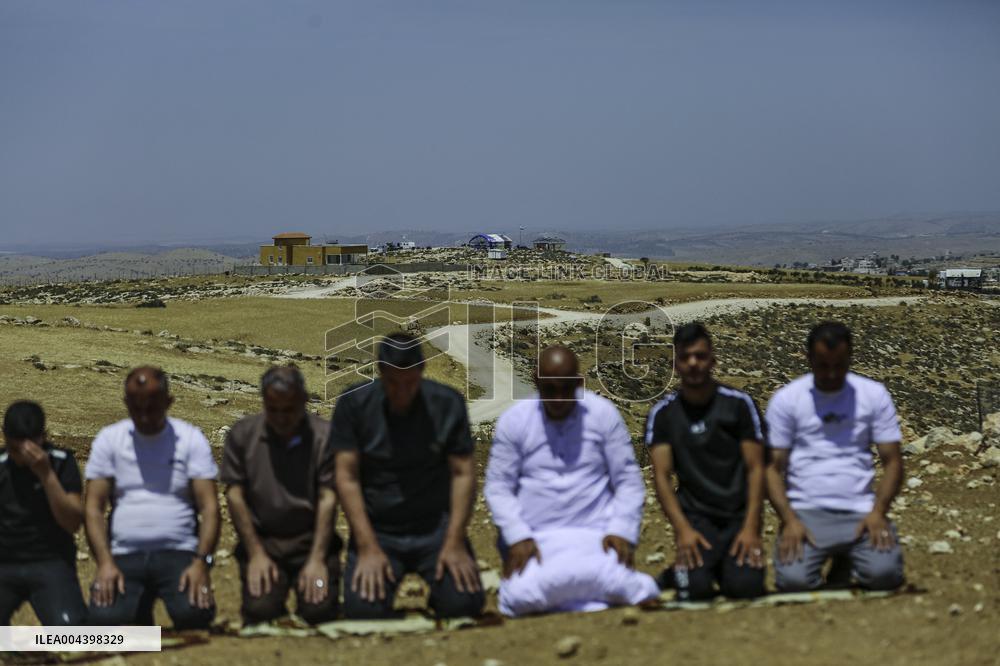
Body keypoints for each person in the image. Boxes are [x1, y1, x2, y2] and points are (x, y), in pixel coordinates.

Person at [485, 345, 660, 617]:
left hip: (596, 536)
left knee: (628, 585)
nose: (557, 398)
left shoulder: (602, 414)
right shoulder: (515, 421)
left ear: (578, 383)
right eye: (548, 389)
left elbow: (626, 480)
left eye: (565, 389)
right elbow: (499, 487)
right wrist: (518, 535)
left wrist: (621, 529)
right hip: (537, 540)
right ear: (536, 380)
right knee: (519, 597)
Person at [328, 333, 484, 619]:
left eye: (409, 383)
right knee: (363, 610)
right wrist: (366, 545)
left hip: (435, 527)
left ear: (422, 372)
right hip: (380, 530)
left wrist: (455, 541)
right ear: (381, 373)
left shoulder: (447, 404)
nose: (401, 392)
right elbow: (346, 476)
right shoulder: (355, 405)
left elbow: (463, 474)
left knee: (463, 605)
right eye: (392, 383)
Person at [765, 321, 905, 592]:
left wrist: (878, 512)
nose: (831, 374)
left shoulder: (873, 395)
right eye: (822, 365)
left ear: (850, 358)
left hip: (861, 510)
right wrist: (789, 520)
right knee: (794, 582)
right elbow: (772, 467)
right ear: (808, 359)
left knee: (884, 577)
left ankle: (848, 556)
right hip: (806, 512)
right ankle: (842, 556)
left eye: (839, 365)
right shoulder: (787, 400)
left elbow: (893, 461)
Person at [85, 367, 220, 628]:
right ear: (126, 403)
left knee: (194, 614)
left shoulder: (190, 439)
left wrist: (202, 563)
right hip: (125, 552)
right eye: (137, 408)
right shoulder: (109, 440)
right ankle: (137, 612)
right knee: (105, 621)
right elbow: (93, 507)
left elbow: (210, 507)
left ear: (168, 402)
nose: (144, 416)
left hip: (178, 550)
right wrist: (104, 563)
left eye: (152, 407)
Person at [644, 323, 767, 601]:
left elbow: (756, 467)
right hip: (696, 521)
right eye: (686, 357)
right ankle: (681, 572)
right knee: (694, 591)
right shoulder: (663, 415)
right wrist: (683, 530)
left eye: (700, 356)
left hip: (737, 516)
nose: (693, 363)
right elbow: (662, 476)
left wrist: (752, 527)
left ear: (712, 359)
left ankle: (724, 568)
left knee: (745, 589)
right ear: (675, 363)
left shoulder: (738, 405)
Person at [222, 366, 341, 625]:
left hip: (310, 541)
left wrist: (318, 558)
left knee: (318, 611)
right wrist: (255, 554)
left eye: (289, 410)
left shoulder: (324, 437)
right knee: (261, 611)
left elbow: (328, 497)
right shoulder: (242, 436)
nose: (281, 418)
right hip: (264, 542)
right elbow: (234, 495)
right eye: (273, 410)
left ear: (303, 402)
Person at [0, 401, 88, 625]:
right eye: (16, 446)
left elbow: (72, 523)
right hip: (5, 561)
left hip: (50, 561)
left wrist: (46, 475)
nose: (24, 453)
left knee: (71, 636)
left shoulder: (61, 462)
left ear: (43, 436)